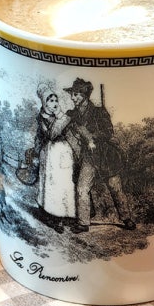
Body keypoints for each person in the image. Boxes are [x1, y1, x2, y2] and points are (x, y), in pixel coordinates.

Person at [64, 78, 135, 232]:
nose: (72, 97)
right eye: (72, 94)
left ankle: (127, 218)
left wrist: (91, 136)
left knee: (115, 188)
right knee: (82, 188)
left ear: (84, 96)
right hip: (88, 157)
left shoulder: (99, 112)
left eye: (76, 95)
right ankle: (83, 223)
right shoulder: (72, 115)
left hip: (105, 155)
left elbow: (109, 132)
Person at [33, 84, 75, 232]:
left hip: (63, 152)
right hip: (50, 153)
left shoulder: (62, 116)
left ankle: (67, 215)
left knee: (65, 183)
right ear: (44, 103)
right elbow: (51, 135)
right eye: (50, 101)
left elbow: (69, 131)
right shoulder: (42, 118)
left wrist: (60, 117)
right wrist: (60, 118)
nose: (54, 103)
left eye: (55, 100)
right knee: (51, 184)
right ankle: (53, 216)